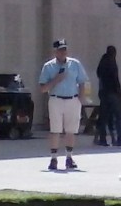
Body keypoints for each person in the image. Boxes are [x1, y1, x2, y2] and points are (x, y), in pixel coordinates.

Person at [38, 39, 90, 171]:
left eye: (64, 49)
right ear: (55, 51)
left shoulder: (75, 64)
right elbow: (43, 88)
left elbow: (82, 81)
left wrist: (81, 97)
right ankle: (53, 158)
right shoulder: (48, 66)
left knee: (71, 130)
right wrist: (56, 80)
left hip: (73, 99)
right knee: (55, 130)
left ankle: (69, 157)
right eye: (60, 50)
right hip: (56, 100)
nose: (63, 52)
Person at [95, 45, 121, 147]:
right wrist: (120, 94)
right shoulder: (112, 63)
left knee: (104, 118)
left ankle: (102, 139)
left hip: (104, 93)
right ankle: (120, 140)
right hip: (113, 93)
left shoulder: (102, 62)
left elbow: (98, 74)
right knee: (118, 117)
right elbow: (115, 80)